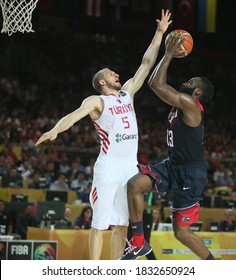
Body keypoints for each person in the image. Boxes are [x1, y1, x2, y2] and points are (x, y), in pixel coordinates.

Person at [35, 9, 172, 260]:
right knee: (99, 224)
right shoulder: (97, 101)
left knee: (122, 224)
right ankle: (95, 271)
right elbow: (74, 115)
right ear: (102, 82)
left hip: (129, 166)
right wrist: (55, 130)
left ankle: (116, 271)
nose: (117, 75)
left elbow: (146, 63)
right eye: (111, 73)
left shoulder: (127, 93)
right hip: (109, 166)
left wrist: (159, 33)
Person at [120, 33, 216, 260]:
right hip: (172, 164)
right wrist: (168, 54)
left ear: (198, 92)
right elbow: (155, 83)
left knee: (180, 232)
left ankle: (214, 265)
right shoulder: (181, 103)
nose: (187, 82)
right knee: (134, 185)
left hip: (191, 173)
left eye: (191, 82)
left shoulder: (191, 105)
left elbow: (156, 84)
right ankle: (139, 243)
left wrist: (170, 53)